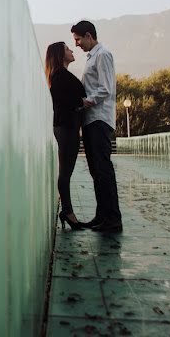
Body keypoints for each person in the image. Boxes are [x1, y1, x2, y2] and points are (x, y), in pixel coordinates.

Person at [71, 20, 122, 233]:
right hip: (92, 120)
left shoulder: (103, 55)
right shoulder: (93, 56)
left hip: (99, 119)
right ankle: (102, 216)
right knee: (96, 171)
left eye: (78, 39)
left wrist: (85, 101)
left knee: (103, 170)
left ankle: (113, 220)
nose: (77, 44)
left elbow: (105, 89)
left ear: (89, 36)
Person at [45, 42, 87, 230]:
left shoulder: (59, 75)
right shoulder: (59, 76)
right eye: (68, 49)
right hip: (66, 127)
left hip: (68, 127)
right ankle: (68, 212)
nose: (71, 50)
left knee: (66, 171)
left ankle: (67, 211)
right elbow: (61, 101)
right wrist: (81, 102)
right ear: (61, 54)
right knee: (65, 172)